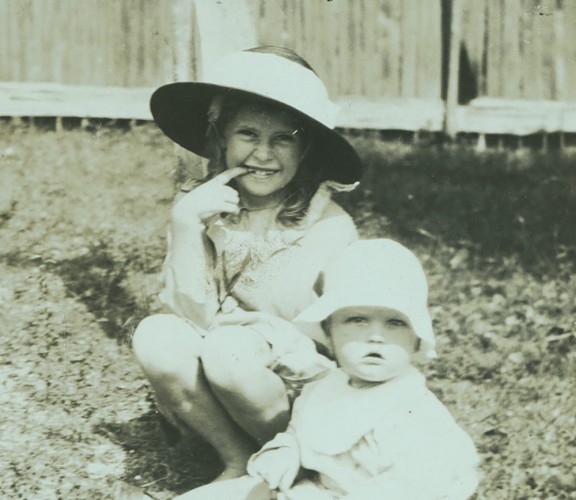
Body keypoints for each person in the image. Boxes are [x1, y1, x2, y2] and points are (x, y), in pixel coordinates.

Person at [131, 45, 363, 482]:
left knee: (228, 351)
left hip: (301, 389)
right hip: (227, 373)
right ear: (220, 138)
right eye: (248, 134)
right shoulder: (200, 207)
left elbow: (332, 338)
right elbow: (191, 315)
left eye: (283, 139)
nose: (263, 154)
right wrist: (184, 226)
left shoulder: (327, 225)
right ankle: (237, 459)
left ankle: (308, 463)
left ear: (306, 148)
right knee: (156, 335)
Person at [246, 239, 480, 499]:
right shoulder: (323, 390)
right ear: (328, 331)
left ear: (417, 339)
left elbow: (406, 488)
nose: (375, 337)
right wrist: (285, 453)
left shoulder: (413, 412)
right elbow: (299, 434)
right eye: (357, 320)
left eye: (395, 323)